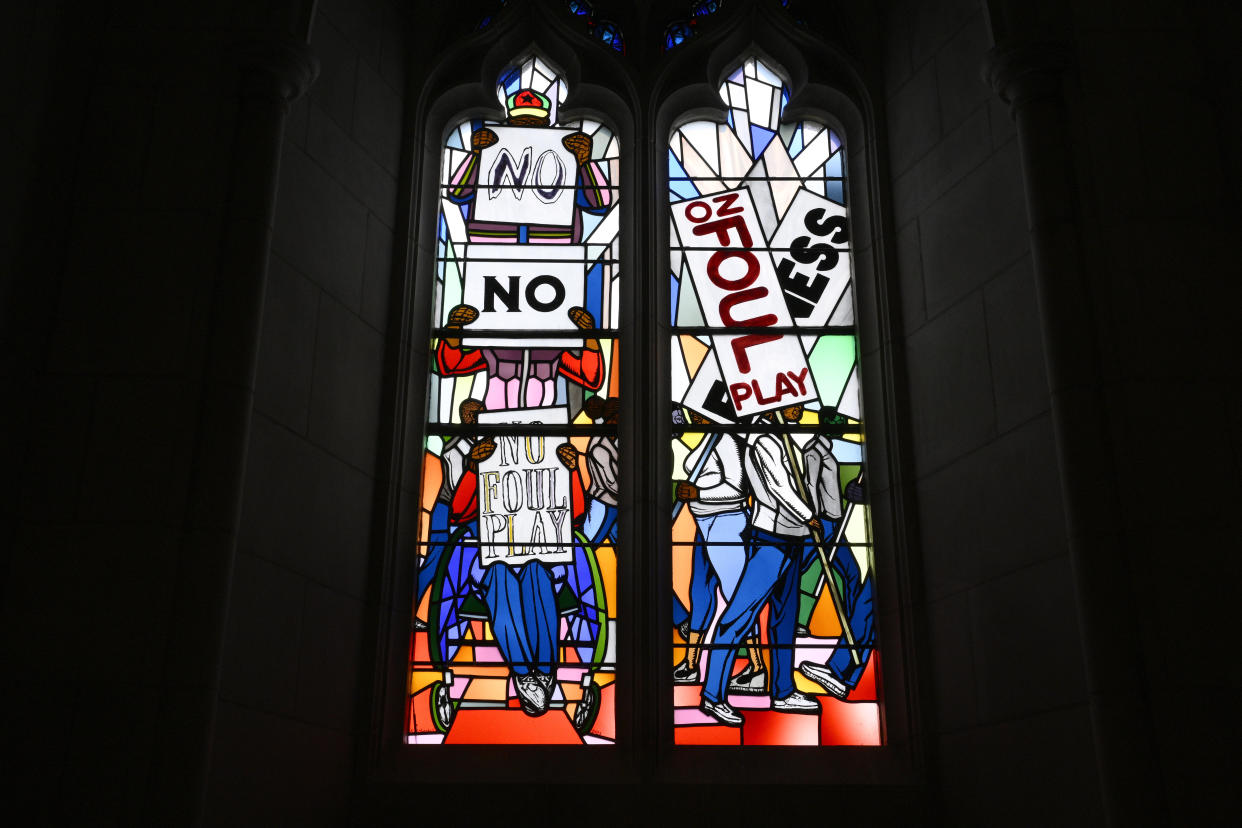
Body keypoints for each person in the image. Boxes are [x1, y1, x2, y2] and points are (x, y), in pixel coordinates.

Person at [699, 405, 821, 727]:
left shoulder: (781, 436)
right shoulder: (764, 439)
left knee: (784, 620)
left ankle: (783, 690)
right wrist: (809, 516)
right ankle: (712, 695)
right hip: (771, 537)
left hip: (792, 537)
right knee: (739, 615)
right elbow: (780, 489)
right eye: (794, 402)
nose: (800, 408)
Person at [450, 438, 588, 717]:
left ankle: (545, 672)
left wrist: (572, 471)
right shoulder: (488, 469)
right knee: (501, 575)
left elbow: (576, 515)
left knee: (535, 572)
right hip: (494, 563)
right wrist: (473, 467)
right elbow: (457, 511)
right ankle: (525, 674)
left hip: (543, 560)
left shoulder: (551, 464)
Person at [671, 410, 765, 692]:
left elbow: (736, 488)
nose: (693, 416)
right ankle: (690, 663)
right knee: (700, 596)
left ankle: (758, 668)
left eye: (699, 411)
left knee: (738, 597)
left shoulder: (727, 440)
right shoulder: (709, 438)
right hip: (704, 524)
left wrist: (697, 494)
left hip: (727, 524)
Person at [796, 446, 874, 700]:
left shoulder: (819, 450)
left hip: (827, 520)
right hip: (818, 519)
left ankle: (842, 671)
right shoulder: (811, 450)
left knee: (862, 593)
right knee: (865, 596)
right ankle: (841, 671)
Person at [414, 399, 484, 630]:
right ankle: (414, 611)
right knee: (436, 562)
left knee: (477, 557)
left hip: (471, 513)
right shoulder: (455, 447)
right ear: (467, 417)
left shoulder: (478, 445)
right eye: (476, 415)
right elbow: (456, 489)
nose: (479, 420)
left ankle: (460, 610)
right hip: (448, 511)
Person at [581, 395, 620, 547]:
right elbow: (612, 483)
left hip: (616, 505)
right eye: (616, 417)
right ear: (610, 419)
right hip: (602, 504)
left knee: (625, 548)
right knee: (587, 545)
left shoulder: (614, 441)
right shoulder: (599, 447)